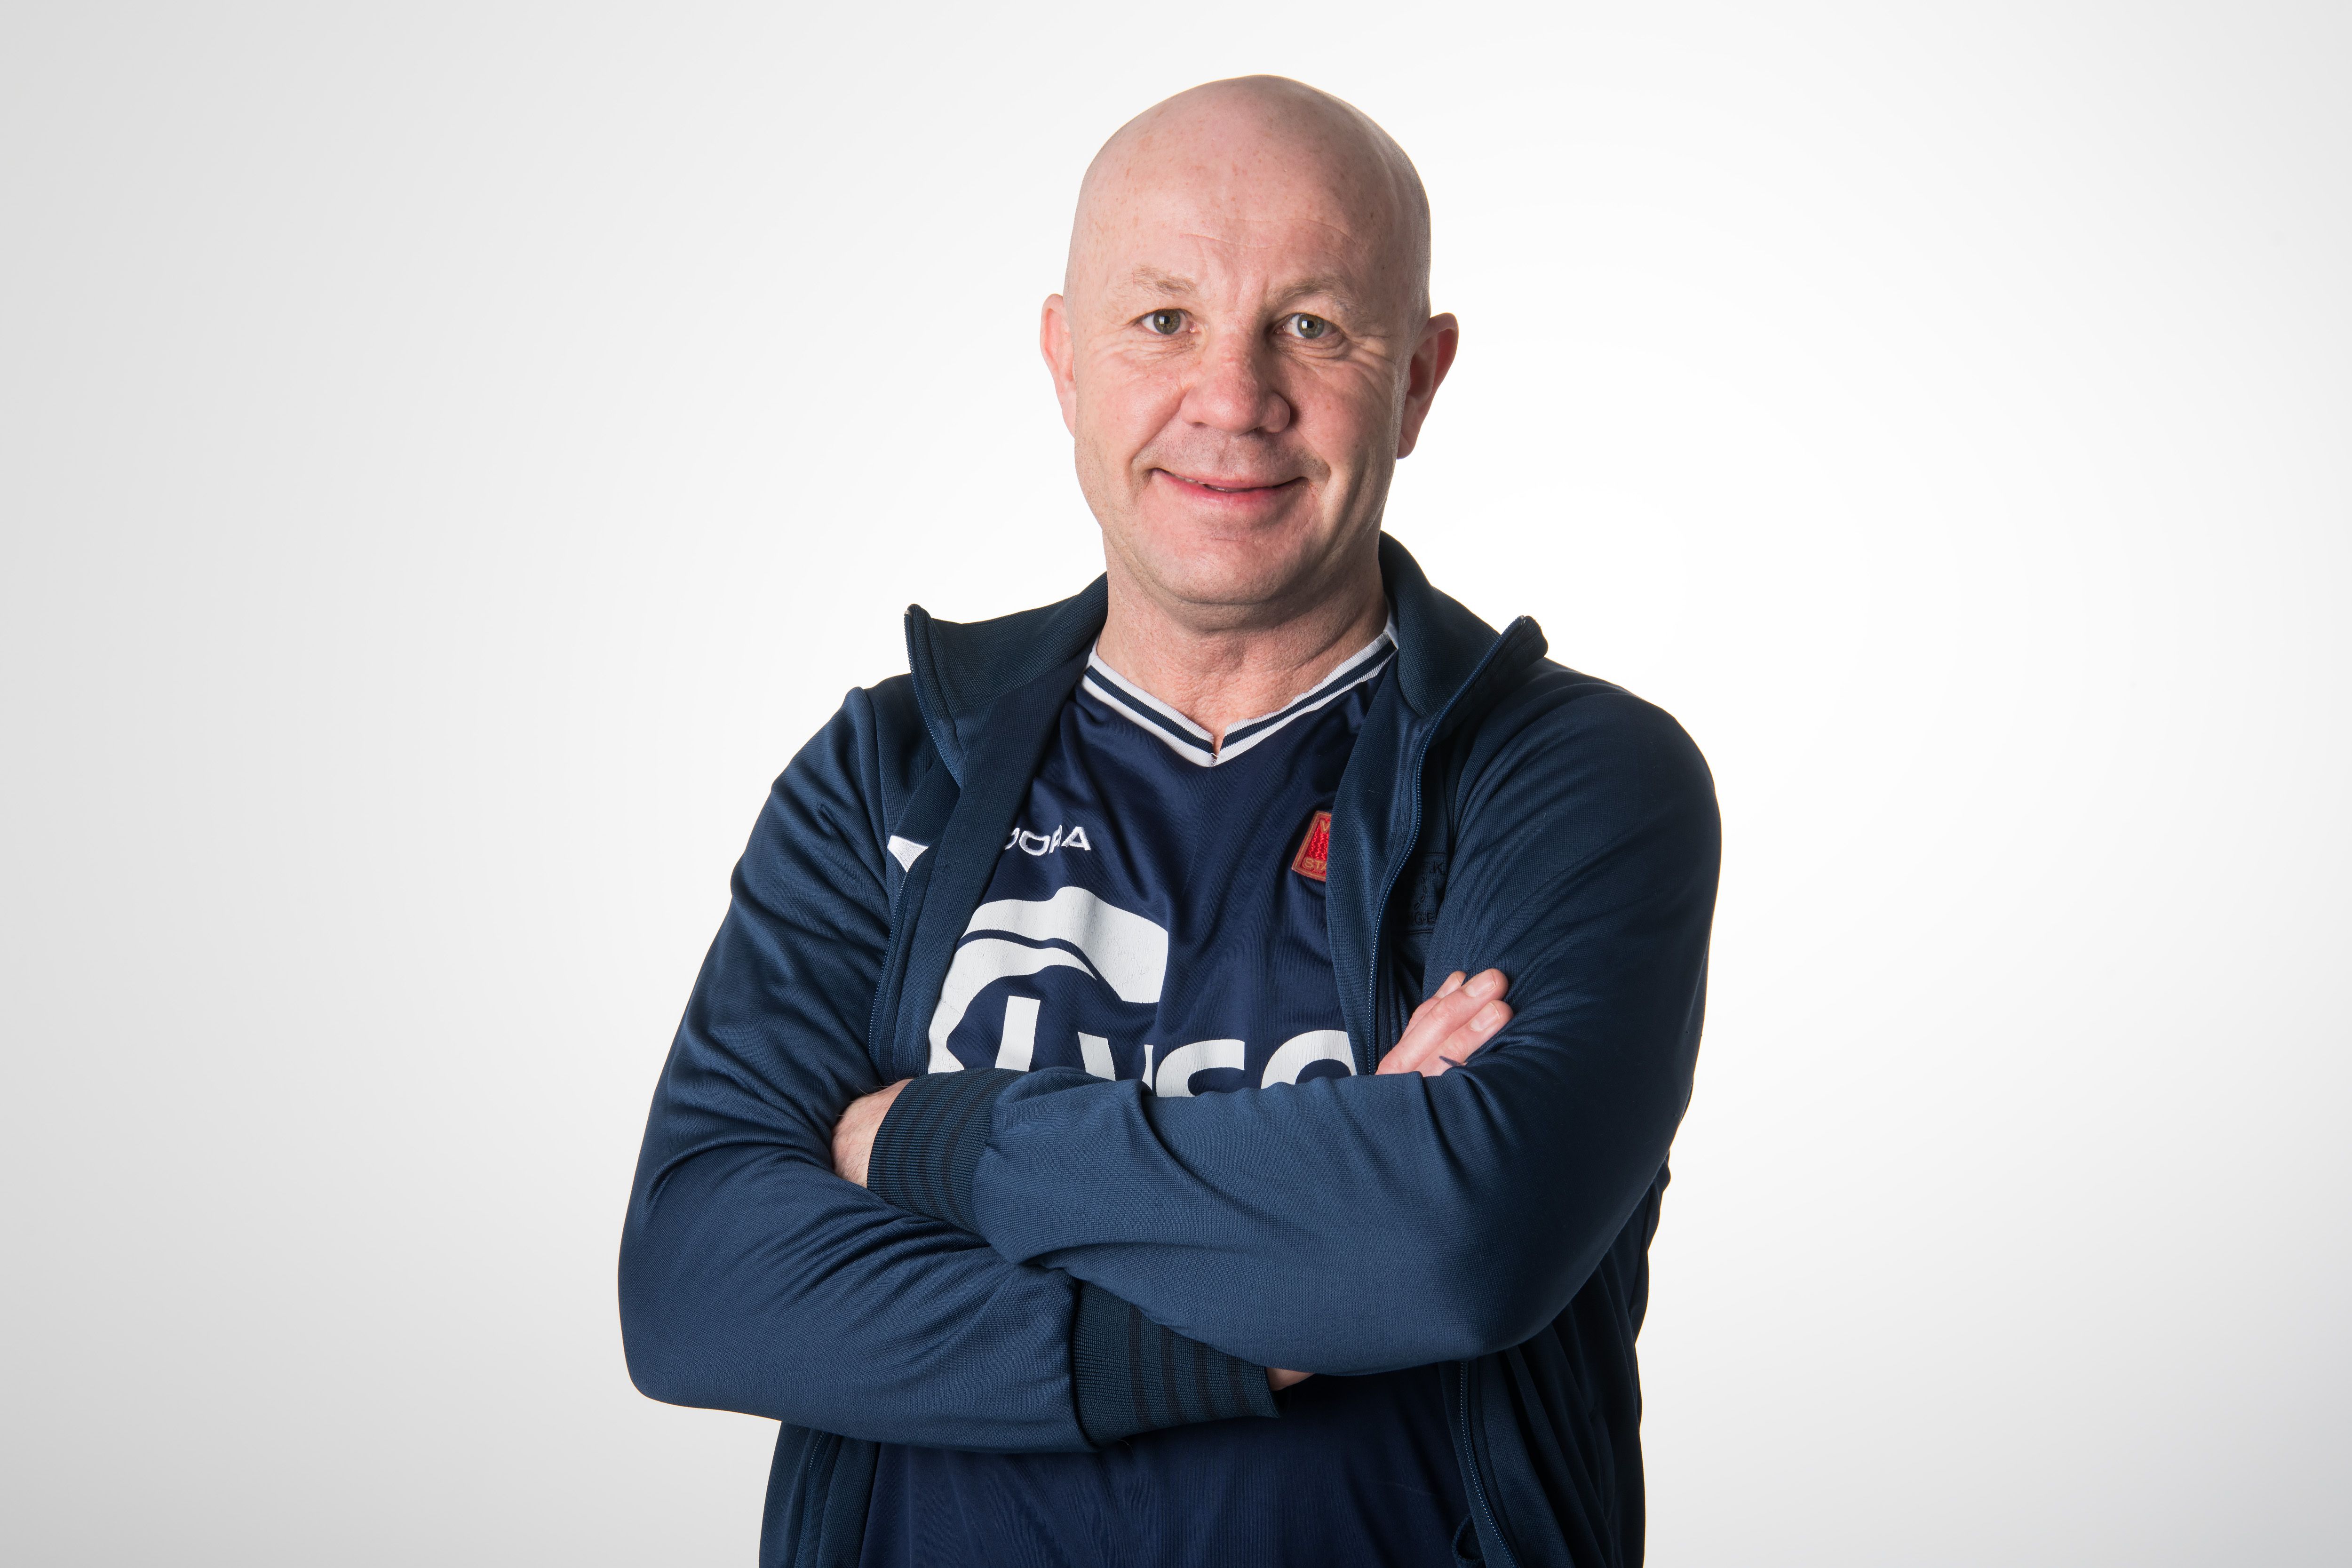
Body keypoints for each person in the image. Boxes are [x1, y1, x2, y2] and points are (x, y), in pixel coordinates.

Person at [620, 74, 1720, 1568]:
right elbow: (702, 1283)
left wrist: (922, 1138)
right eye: (1163, 320)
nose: (1233, 397)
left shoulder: (1572, 780)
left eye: (1312, 327)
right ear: (1067, 362)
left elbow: (1450, 1245)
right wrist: (1250, 1304)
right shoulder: (892, 772)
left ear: (1419, 379)